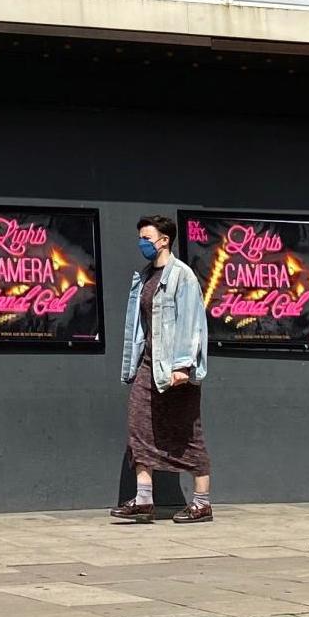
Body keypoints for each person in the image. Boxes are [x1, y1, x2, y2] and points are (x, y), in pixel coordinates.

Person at [113, 212, 212, 524]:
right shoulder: (143, 277)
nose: (142, 243)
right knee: (138, 426)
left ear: (164, 240)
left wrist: (183, 365)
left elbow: (192, 323)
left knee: (187, 432)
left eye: (147, 238)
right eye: (140, 238)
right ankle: (144, 499)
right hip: (148, 365)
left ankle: (202, 502)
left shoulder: (183, 276)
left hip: (175, 369)